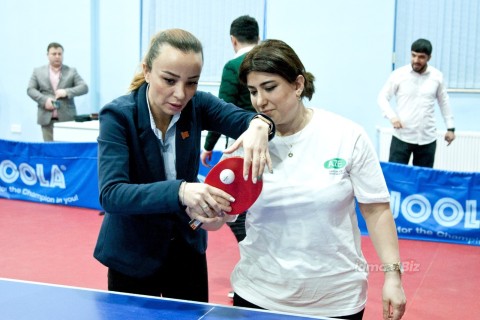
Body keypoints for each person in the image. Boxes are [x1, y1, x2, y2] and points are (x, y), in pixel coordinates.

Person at [93, 29, 275, 303]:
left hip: (186, 251)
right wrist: (181, 192)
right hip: (132, 256)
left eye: (192, 82)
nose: (181, 94)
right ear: (147, 71)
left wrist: (261, 124)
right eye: (169, 80)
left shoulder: (197, 105)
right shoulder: (118, 116)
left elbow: (245, 119)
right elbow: (112, 194)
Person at [230, 39, 407, 320]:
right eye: (252, 91)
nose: (260, 101)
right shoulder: (247, 143)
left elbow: (376, 210)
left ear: (298, 85)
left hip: (336, 300)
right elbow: (227, 214)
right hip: (259, 294)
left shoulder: (346, 135)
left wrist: (393, 278)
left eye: (270, 87)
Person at [201, 15, 259, 247]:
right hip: (272, 140)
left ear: (233, 40)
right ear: (258, 37)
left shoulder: (234, 66)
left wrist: (208, 147)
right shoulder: (269, 62)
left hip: (242, 146)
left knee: (233, 204)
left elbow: (221, 111)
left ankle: (251, 255)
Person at [377, 38, 455, 168]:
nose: (416, 60)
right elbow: (382, 97)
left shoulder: (437, 77)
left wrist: (450, 128)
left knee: (423, 182)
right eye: (413, 55)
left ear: (429, 57)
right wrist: (392, 116)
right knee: (396, 178)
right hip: (402, 137)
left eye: (421, 57)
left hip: (427, 139)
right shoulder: (399, 75)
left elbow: (444, 102)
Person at [27, 42, 88, 141]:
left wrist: (67, 92)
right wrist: (44, 100)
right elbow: (30, 89)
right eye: (54, 54)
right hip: (46, 119)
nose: (57, 56)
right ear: (47, 55)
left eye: (60, 54)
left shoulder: (71, 71)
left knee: (66, 151)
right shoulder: (37, 72)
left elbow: (84, 87)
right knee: (49, 150)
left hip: (67, 120)